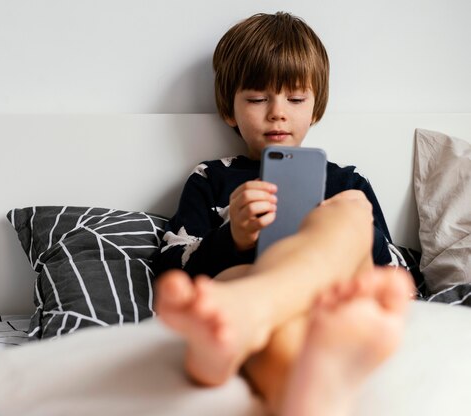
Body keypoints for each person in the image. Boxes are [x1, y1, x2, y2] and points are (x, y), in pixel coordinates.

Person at [152, 11, 413, 415]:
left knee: (349, 214)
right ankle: (305, 390)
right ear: (229, 109)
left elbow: (396, 272)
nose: (277, 112)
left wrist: (332, 224)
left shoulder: (346, 182)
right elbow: (173, 268)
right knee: (240, 282)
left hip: (328, 294)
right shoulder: (212, 178)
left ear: (316, 109)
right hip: (258, 293)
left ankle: (225, 342)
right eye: (257, 99)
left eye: (295, 99)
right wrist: (233, 236)